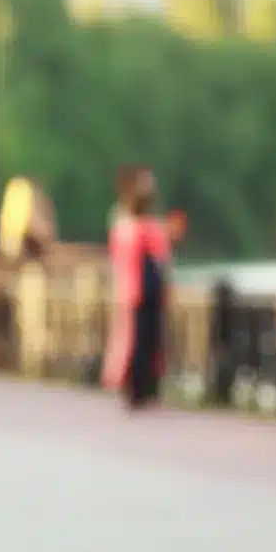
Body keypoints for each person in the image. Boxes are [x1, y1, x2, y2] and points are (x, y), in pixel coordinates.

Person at [102, 165, 173, 409]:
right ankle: (136, 386)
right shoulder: (126, 221)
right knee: (137, 339)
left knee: (148, 338)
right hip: (135, 287)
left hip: (143, 286)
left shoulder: (140, 222)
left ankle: (146, 386)